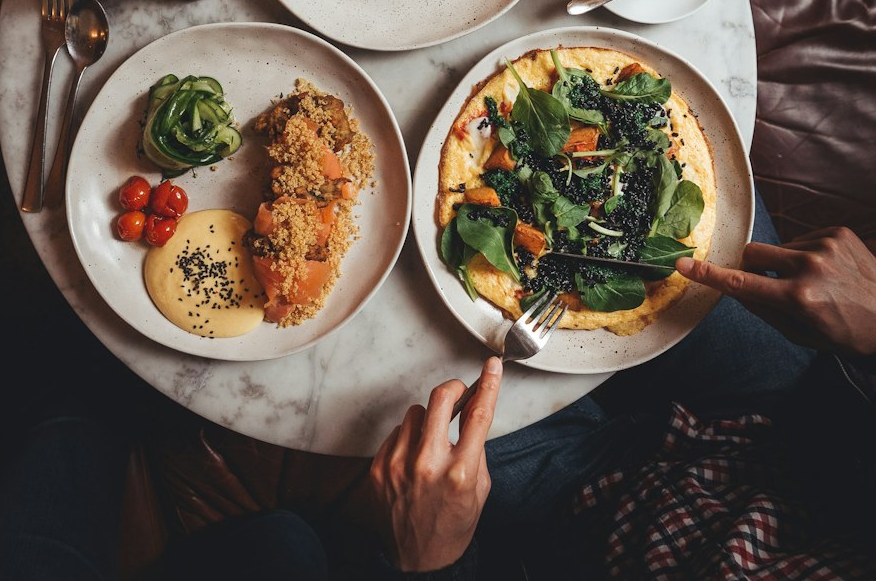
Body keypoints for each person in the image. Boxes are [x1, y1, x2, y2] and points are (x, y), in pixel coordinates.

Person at [364, 196, 875, 579]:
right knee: (714, 225)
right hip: (785, 431)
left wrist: (431, 562)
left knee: (407, 382)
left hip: (573, 527)